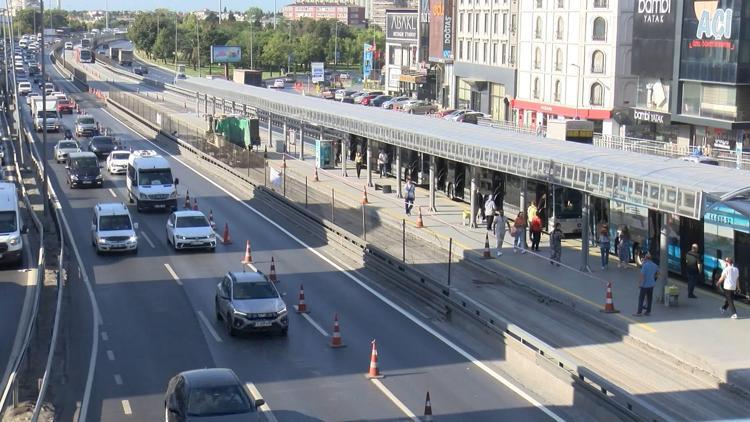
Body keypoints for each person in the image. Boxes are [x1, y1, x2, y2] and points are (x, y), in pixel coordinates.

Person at [635, 252, 658, 316]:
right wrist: (654, 279)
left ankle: (639, 312)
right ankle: (648, 311)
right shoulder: (655, 265)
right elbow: (657, 274)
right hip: (651, 285)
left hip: (644, 285)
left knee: (641, 298)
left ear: (646, 258)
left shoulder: (645, 266)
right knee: (649, 298)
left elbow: (642, 275)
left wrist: (640, 284)